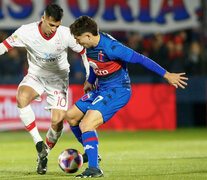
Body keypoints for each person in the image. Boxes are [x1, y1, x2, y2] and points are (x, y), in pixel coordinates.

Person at [65, 15, 188, 178]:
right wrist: (90, 80)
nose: (77, 42)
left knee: (87, 123)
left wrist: (166, 75)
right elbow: (96, 65)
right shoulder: (90, 45)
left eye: (78, 38)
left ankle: (94, 169)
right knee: (72, 117)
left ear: (88, 35)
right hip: (101, 88)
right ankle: (91, 152)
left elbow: (141, 59)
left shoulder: (112, 47)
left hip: (117, 90)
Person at [0, 4, 89, 175]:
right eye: (50, 25)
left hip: (58, 79)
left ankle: (44, 154)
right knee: (21, 97)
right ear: (43, 18)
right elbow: (4, 46)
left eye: (56, 25)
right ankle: (38, 141)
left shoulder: (66, 34)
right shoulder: (27, 31)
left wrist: (88, 77)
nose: (53, 29)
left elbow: (84, 51)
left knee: (57, 122)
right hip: (36, 75)